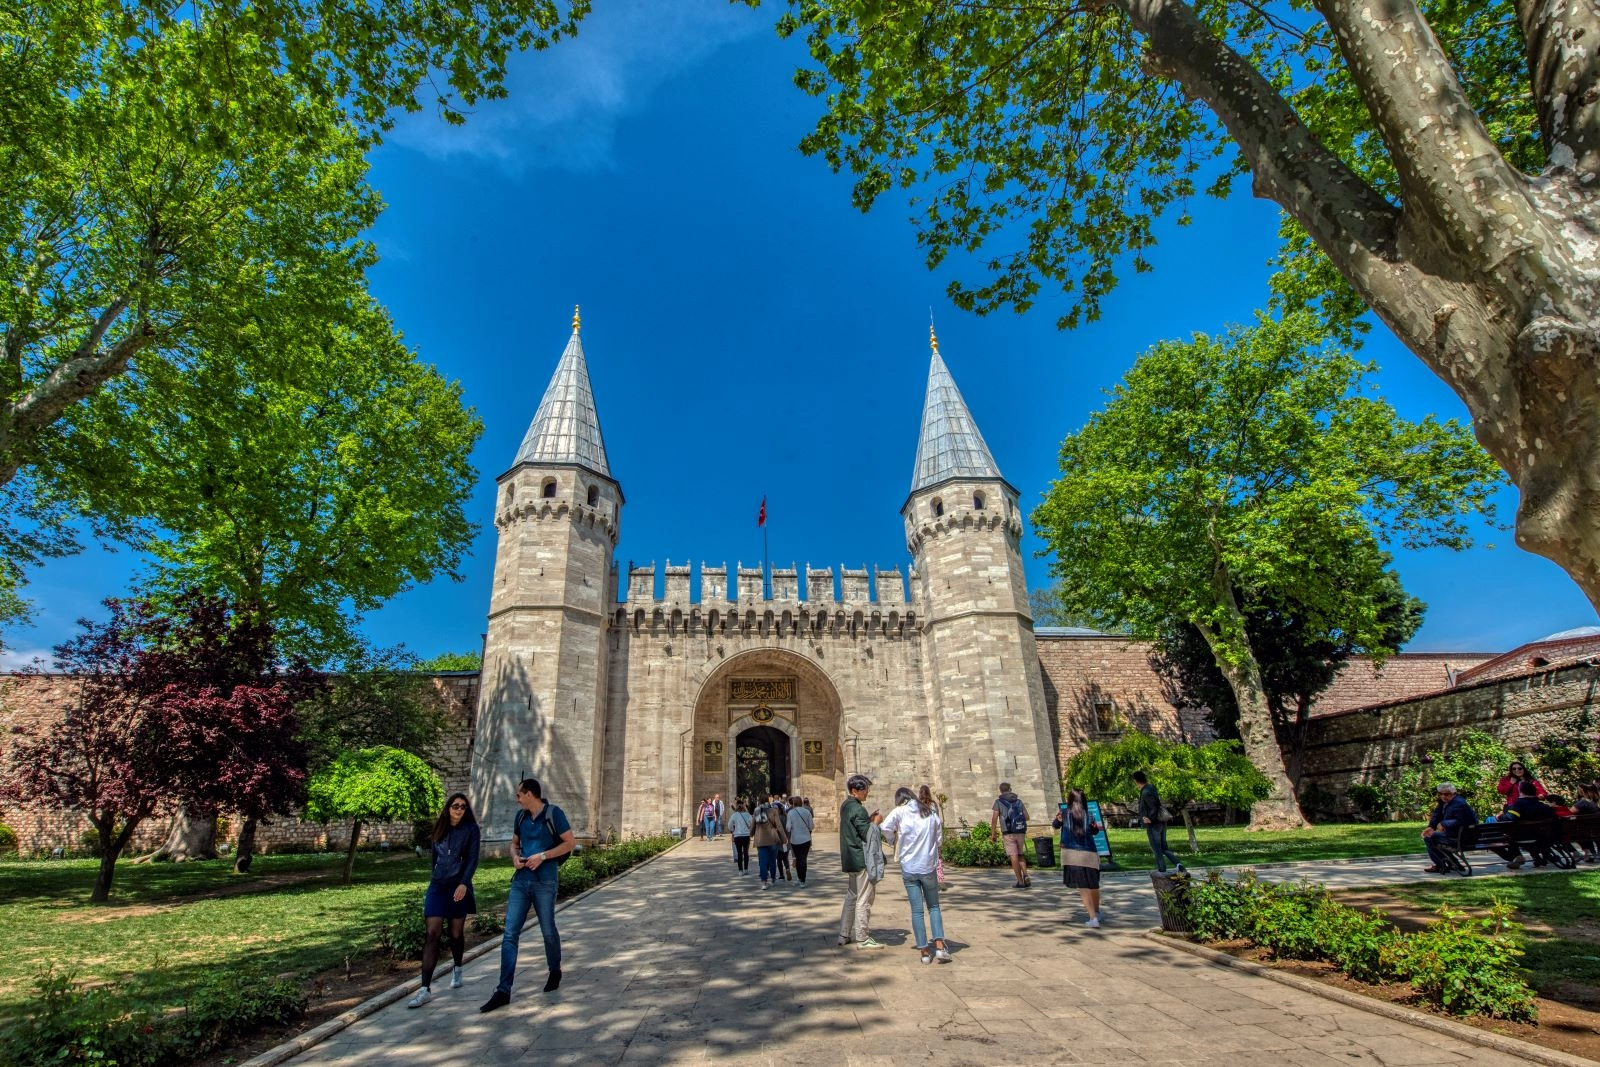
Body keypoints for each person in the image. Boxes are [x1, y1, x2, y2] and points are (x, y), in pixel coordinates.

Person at [480, 777, 575, 1013]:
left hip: (545, 881)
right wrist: (514, 857)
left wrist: (542, 856)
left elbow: (569, 843)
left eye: (519, 795)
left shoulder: (554, 814)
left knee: (548, 930)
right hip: (521, 882)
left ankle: (555, 970)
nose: (517, 799)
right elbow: (514, 844)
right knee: (510, 933)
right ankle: (503, 990)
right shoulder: (520, 817)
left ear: (530, 794)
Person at [408, 792, 481, 1008]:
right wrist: (435, 879)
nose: (459, 809)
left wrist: (464, 884)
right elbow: (434, 859)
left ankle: (457, 967)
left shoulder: (471, 830)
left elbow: (473, 858)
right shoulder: (439, 829)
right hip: (438, 886)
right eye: (456, 806)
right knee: (432, 933)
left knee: (456, 933)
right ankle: (425, 989)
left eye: (463, 807)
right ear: (448, 807)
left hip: (458, 885)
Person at [882, 784, 951, 964]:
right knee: (934, 907)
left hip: (909, 868)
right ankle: (941, 948)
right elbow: (939, 839)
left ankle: (924, 952)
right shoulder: (931, 813)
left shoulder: (900, 812)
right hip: (928, 867)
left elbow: (885, 828)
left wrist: (893, 841)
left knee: (917, 910)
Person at [839, 774, 885, 948]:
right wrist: (875, 823)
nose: (867, 792)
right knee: (864, 898)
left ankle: (844, 933)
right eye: (864, 789)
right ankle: (862, 937)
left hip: (850, 857)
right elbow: (867, 834)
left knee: (852, 896)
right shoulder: (858, 809)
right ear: (854, 790)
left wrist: (868, 820)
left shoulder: (846, 805)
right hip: (860, 858)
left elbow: (856, 827)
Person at [1052, 788, 1102, 927]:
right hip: (1089, 853)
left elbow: (1055, 826)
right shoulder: (1089, 814)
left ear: (1069, 800)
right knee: (1093, 884)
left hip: (1072, 853)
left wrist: (1058, 819)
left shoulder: (1064, 813)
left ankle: (1093, 918)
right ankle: (1097, 912)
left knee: (1083, 887)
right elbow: (1095, 831)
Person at [1498, 779, 1558, 868]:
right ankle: (1539, 856)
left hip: (1521, 836)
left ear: (1520, 791)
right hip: (1544, 836)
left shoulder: (1518, 805)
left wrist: (1499, 817)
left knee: (1508, 834)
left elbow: (1510, 818)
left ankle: (1516, 856)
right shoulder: (1544, 807)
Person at [1133, 771, 1185, 874]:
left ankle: (1161, 870)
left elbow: (1153, 807)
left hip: (1154, 824)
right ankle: (1179, 865)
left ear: (1136, 781)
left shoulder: (1145, 792)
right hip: (1161, 822)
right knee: (1163, 847)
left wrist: (1150, 819)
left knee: (1157, 848)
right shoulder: (1150, 787)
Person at [1420, 782, 1478, 873]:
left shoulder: (1459, 804)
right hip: (1456, 835)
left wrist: (1444, 824)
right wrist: (1431, 826)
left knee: (1429, 838)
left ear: (1453, 793)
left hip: (1463, 838)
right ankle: (1453, 864)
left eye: (1446, 794)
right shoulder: (1445, 802)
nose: (1443, 796)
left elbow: (1465, 821)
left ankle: (1442, 865)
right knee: (1431, 836)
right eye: (1440, 794)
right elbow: (1437, 814)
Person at [990, 782, 1031, 888]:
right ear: (1010, 789)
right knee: (1020, 854)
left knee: (1014, 856)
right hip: (1020, 830)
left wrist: (993, 833)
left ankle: (1020, 882)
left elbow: (994, 819)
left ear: (1000, 790)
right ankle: (1025, 874)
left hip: (1008, 832)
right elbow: (1027, 817)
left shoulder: (998, 802)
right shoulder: (1019, 801)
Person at [751, 794, 789, 889]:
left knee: (763, 861)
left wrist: (751, 834)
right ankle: (773, 879)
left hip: (760, 839)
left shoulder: (756, 811)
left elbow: (753, 825)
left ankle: (764, 882)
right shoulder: (773, 811)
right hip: (773, 839)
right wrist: (784, 838)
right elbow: (779, 826)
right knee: (772, 861)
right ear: (768, 800)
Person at [786, 794, 814, 887]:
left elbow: (788, 828)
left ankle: (799, 878)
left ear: (793, 803)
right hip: (806, 839)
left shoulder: (790, 813)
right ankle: (803, 880)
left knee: (798, 859)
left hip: (795, 839)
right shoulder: (807, 812)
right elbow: (811, 826)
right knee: (803, 859)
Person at [1573, 781, 1599, 863]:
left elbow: (1570, 812)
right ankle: (1591, 854)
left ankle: (1588, 853)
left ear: (1582, 791)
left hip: (1584, 830)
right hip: (1594, 828)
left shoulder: (1583, 802)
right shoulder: (1594, 802)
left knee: (1576, 832)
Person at [729, 800, 754, 873]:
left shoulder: (734, 815)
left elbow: (729, 825)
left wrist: (733, 830)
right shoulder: (748, 814)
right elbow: (752, 824)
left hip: (737, 836)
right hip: (746, 835)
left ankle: (740, 870)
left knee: (739, 853)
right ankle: (746, 869)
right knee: (746, 852)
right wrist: (749, 829)